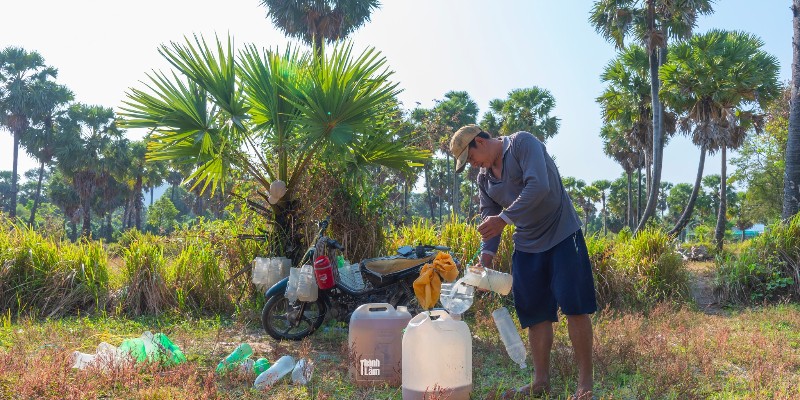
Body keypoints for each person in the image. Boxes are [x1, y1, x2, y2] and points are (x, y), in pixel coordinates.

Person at [449, 124, 596, 400]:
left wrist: (505, 219)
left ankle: (585, 385)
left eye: (471, 157)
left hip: (562, 235)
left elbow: (539, 186)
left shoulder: (522, 144)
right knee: (535, 312)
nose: (472, 164)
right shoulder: (484, 179)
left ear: (480, 141)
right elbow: (490, 220)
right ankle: (541, 382)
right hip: (528, 245)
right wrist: (486, 256)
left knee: (575, 307)